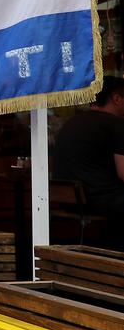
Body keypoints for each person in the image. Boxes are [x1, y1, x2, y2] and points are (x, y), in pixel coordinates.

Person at [53, 75, 124, 249]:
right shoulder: (117, 125)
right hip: (103, 202)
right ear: (116, 98)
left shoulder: (71, 124)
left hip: (72, 202)